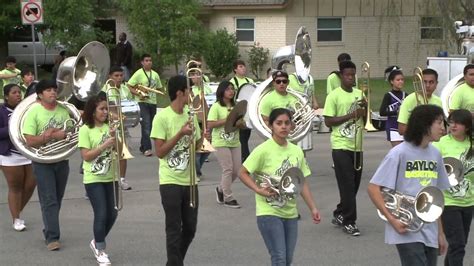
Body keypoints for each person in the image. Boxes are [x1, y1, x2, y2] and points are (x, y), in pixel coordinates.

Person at [367, 104, 451, 266]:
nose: (443, 127)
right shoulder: (399, 153)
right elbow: (373, 188)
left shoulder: (436, 154)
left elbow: (436, 198)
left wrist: (440, 233)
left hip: (430, 228)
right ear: (425, 124)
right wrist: (392, 220)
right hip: (406, 228)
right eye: (439, 122)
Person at [240, 108, 321, 265]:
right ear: (271, 126)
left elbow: (301, 182)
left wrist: (313, 208)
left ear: (291, 126)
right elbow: (242, 172)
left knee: (287, 259)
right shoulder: (263, 150)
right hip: (268, 212)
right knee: (279, 257)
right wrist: (257, 189)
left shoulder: (297, 151)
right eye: (279, 123)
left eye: (287, 123)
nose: (283, 127)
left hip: (290, 212)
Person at [151, 75, 201, 266]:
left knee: (190, 229)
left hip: (190, 180)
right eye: (189, 90)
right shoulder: (162, 117)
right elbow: (160, 152)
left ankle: (172, 263)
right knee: (173, 228)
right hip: (170, 181)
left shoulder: (190, 113)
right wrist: (180, 133)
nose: (192, 94)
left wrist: (202, 139)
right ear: (180, 92)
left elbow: (196, 145)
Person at [22, 79, 71, 251]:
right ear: (40, 94)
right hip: (42, 162)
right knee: (49, 199)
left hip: (61, 160)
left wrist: (63, 135)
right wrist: (48, 137)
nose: (53, 93)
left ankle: (48, 228)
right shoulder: (34, 112)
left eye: (54, 89)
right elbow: (29, 140)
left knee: (56, 199)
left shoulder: (64, 110)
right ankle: (52, 237)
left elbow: (71, 132)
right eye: (48, 90)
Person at [323, 60, 366, 236]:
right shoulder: (334, 96)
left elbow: (364, 116)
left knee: (354, 186)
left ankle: (340, 212)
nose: (351, 78)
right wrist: (351, 115)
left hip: (357, 145)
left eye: (353, 75)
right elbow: (328, 121)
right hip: (340, 145)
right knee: (347, 184)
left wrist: (365, 108)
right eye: (348, 75)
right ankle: (350, 221)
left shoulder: (359, 93)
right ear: (341, 76)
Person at [78, 93, 118, 265]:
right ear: (93, 111)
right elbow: (86, 156)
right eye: (102, 109)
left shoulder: (111, 126)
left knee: (113, 213)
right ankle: (101, 250)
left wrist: (115, 138)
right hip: (93, 177)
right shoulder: (86, 129)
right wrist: (104, 145)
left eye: (107, 109)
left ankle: (96, 241)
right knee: (101, 213)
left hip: (111, 175)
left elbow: (121, 150)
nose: (106, 112)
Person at [433, 109, 473, 266]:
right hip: (448, 202)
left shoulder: (472, 144)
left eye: (458, 122)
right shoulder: (441, 144)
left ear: (468, 127)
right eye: (451, 121)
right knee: (457, 245)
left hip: (469, 201)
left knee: (458, 245)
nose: (453, 125)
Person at [0, 84, 36, 231]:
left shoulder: (26, 109)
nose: (18, 95)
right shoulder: (1, 111)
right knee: (15, 187)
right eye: (14, 93)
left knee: (30, 185)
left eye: (19, 92)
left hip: (28, 153)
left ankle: (16, 210)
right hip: (11, 155)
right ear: (6, 96)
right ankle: (16, 218)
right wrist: (12, 126)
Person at [207, 80, 242, 208]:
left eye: (232, 89)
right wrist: (227, 119)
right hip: (220, 142)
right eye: (228, 89)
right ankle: (228, 197)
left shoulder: (236, 106)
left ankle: (221, 189)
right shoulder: (216, 106)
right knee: (228, 169)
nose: (231, 91)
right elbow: (210, 124)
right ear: (222, 91)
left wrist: (240, 123)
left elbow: (242, 123)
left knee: (237, 170)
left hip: (235, 141)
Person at [102, 66, 134, 190]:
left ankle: (121, 179)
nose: (119, 78)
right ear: (110, 76)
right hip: (108, 126)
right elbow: (102, 108)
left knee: (123, 154)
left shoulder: (126, 89)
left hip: (122, 126)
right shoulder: (105, 90)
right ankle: (101, 181)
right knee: (106, 155)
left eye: (121, 75)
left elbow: (131, 105)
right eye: (116, 75)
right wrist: (113, 115)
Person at [128, 54, 164, 157]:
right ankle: (147, 149)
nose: (149, 62)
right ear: (142, 62)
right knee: (146, 124)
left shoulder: (155, 74)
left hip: (152, 102)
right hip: (142, 102)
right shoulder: (139, 73)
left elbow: (159, 87)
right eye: (146, 60)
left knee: (150, 125)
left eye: (150, 60)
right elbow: (130, 85)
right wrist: (139, 93)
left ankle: (143, 146)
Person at [398, 68, 442, 135]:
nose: (427, 85)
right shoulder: (409, 100)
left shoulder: (438, 101)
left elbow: (442, 127)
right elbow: (401, 130)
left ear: (436, 84)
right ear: (419, 82)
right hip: (415, 142)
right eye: (424, 82)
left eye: (431, 82)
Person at [189, 65, 212, 179]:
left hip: (207, 119)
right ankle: (196, 172)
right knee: (197, 149)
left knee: (208, 148)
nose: (195, 77)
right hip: (196, 121)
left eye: (197, 74)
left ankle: (198, 169)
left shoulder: (206, 88)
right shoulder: (190, 89)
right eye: (193, 75)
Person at [229, 59, 254, 163]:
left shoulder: (250, 81)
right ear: (235, 69)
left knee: (245, 137)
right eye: (240, 66)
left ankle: (241, 156)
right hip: (238, 112)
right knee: (242, 138)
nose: (243, 68)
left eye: (244, 66)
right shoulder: (232, 82)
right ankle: (246, 159)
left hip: (248, 112)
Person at [379, 66, 408, 147]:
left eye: (402, 80)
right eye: (398, 80)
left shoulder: (405, 95)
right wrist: (396, 112)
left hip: (404, 127)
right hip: (393, 127)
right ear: (392, 81)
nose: (401, 82)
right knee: (398, 152)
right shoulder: (388, 95)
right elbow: (382, 112)